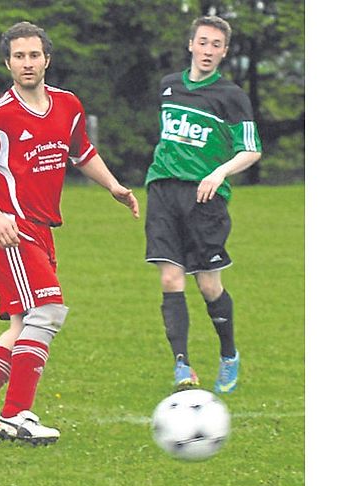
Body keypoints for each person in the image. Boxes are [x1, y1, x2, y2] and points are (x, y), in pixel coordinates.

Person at [0, 21, 139, 446]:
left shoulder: (67, 105)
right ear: (7, 63)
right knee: (48, 313)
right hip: (11, 230)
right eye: (18, 56)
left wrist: (114, 186)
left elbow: (82, 152)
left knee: (21, 327)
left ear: (47, 59)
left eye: (33, 55)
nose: (26, 63)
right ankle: (15, 415)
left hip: (42, 232)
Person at [144, 15, 261, 394]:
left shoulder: (231, 96)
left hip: (205, 198)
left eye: (216, 45)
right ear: (190, 44)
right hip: (163, 190)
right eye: (203, 42)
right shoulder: (168, 86)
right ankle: (183, 366)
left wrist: (219, 173)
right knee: (169, 277)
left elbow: (252, 150)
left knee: (209, 285)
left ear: (224, 52)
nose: (208, 50)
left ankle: (228, 354)